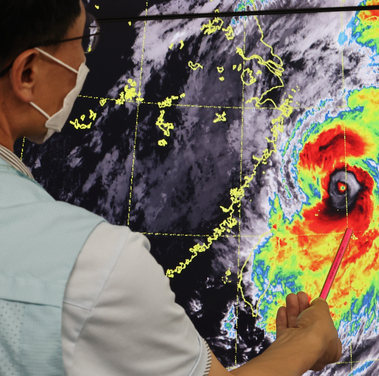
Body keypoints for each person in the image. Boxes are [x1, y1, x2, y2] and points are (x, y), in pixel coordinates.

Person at [0, 1, 342, 375]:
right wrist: (310, 341)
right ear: (27, 73)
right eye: (83, 40)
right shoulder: (95, 265)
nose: (84, 59)